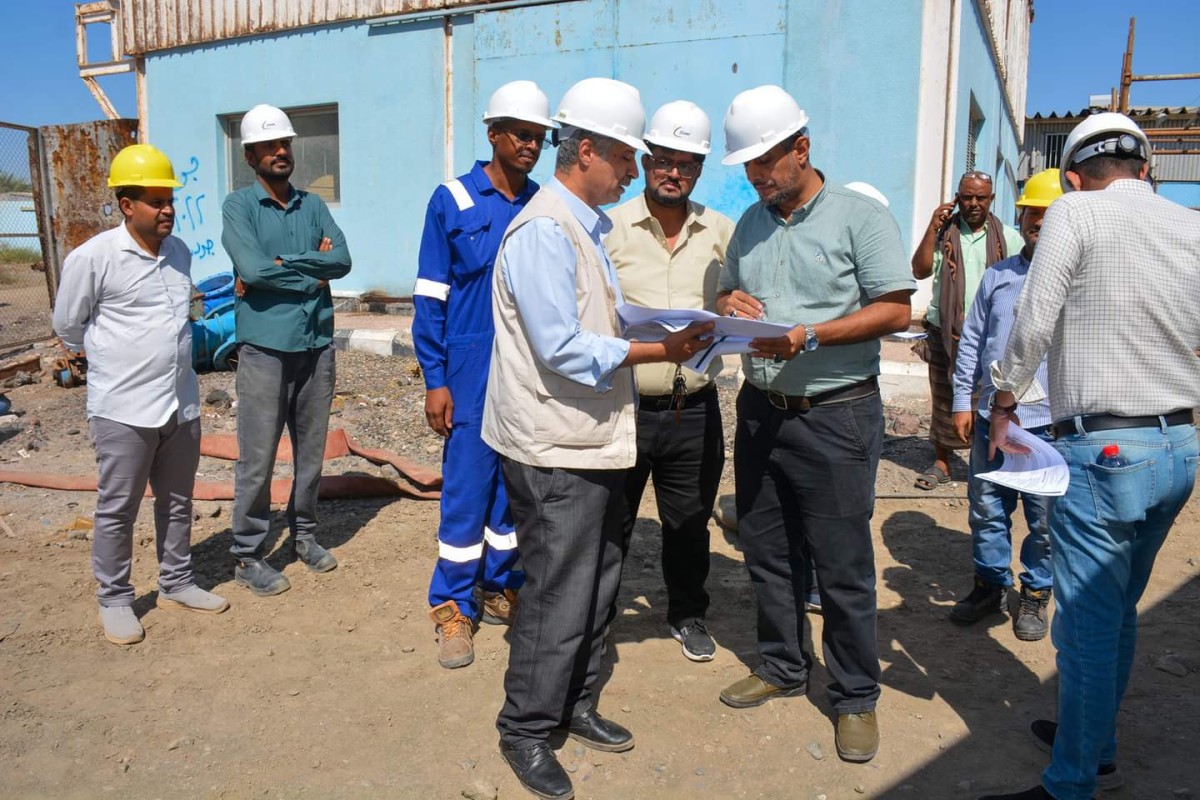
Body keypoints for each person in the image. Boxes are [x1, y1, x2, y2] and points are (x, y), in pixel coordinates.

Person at [482, 77, 714, 800]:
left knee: (599, 576)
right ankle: (525, 727)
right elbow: (563, 348)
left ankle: (575, 701)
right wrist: (662, 353)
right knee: (556, 590)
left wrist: (652, 324)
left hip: (592, 440)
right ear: (587, 151)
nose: (632, 172)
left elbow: (598, 322)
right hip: (556, 448)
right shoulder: (545, 231)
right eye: (624, 157)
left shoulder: (582, 228)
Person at [979, 113, 1200, 800]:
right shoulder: (1190, 223)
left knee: (1085, 624)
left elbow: (1034, 319)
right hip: (1178, 445)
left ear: (1074, 175)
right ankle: (1095, 744)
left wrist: (1004, 399)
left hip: (1104, 450)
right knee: (1120, 608)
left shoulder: (1075, 213)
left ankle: (1071, 783)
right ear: (1144, 168)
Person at [714, 85, 914, 764]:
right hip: (761, 412)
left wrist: (812, 336)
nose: (757, 177)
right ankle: (781, 665)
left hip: (836, 415)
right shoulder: (751, 222)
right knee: (768, 553)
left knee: (843, 565)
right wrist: (725, 299)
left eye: (766, 163)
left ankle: (855, 696)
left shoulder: (859, 216)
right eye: (748, 168)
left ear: (802, 148)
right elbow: (725, 290)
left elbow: (896, 311)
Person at [53, 144, 228, 645]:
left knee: (177, 501)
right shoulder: (93, 258)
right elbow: (68, 323)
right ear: (127, 205)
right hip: (122, 408)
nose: (167, 208)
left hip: (180, 402)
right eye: (155, 200)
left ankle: (176, 581)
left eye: (169, 198)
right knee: (118, 507)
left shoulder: (180, 253)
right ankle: (115, 598)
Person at [413, 80, 556, 670]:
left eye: (539, 138)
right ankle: (452, 606)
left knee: (513, 493)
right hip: (469, 370)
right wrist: (435, 378)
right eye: (520, 134)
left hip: (525, 372)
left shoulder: (543, 202)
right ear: (493, 133)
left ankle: (500, 584)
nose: (530, 145)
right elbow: (430, 294)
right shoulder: (452, 200)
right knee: (468, 491)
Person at [605, 99, 734, 662]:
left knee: (688, 522)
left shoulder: (722, 233)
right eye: (663, 159)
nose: (673, 172)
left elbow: (739, 301)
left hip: (693, 407)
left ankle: (687, 613)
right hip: (622, 405)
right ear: (646, 158)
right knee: (611, 522)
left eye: (686, 163)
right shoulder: (608, 228)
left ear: (700, 171)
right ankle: (597, 616)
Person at [221, 103, 352, 596]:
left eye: (286, 145)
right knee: (256, 457)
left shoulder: (313, 205)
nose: (281, 153)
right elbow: (252, 271)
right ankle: (247, 555)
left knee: (311, 454)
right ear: (250, 155)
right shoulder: (239, 207)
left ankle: (305, 535)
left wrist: (286, 263)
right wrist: (310, 273)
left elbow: (341, 259)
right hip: (264, 349)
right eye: (270, 146)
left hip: (316, 346)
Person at [948, 169, 1061, 640]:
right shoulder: (998, 276)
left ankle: (1036, 593)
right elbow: (973, 341)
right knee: (988, 509)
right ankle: (990, 585)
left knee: (1044, 520)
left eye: (1051, 213)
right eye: (1034, 212)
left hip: (1048, 425)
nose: (1040, 221)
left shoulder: (1077, 283)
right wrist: (961, 399)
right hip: (990, 419)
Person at [911, 170, 1023, 490]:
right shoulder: (945, 233)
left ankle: (983, 463)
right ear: (957, 197)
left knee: (986, 400)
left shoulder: (1008, 239)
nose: (973, 203)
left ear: (991, 199)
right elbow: (918, 270)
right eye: (967, 196)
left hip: (990, 334)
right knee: (944, 399)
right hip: (944, 332)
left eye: (980, 197)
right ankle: (943, 462)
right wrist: (932, 229)